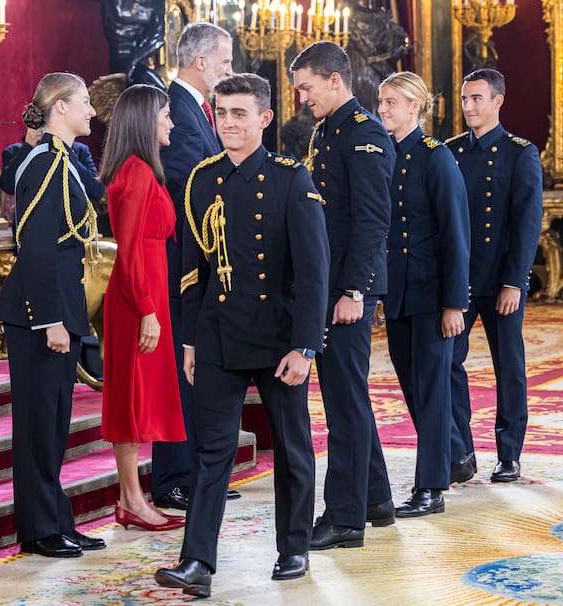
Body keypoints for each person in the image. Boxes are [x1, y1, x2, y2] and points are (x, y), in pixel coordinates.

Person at [154, 73, 329, 598]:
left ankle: (293, 546)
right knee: (211, 452)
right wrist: (190, 341)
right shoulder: (201, 179)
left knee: (292, 447)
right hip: (218, 336)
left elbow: (314, 272)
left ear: (264, 118)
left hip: (279, 341)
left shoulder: (291, 178)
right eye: (222, 113)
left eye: (239, 113)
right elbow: (192, 271)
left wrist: (305, 346)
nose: (228, 123)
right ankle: (196, 562)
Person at [0, 72, 106, 558]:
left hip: (59, 308)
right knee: (39, 427)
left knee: (54, 424)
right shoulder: (44, 163)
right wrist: (50, 319)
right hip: (39, 316)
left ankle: (57, 520)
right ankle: (39, 528)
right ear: (60, 107)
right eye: (84, 101)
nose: (91, 110)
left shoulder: (61, 159)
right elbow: (36, 247)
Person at [289, 41, 394, 550]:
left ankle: (345, 519)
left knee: (344, 402)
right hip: (331, 284)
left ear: (335, 80)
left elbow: (372, 221)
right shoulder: (328, 130)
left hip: (349, 289)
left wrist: (354, 289)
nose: (302, 98)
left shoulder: (364, 132)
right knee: (348, 395)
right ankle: (375, 499)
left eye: (307, 87)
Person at [376, 72, 470, 517]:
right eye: (381, 102)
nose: (382, 109)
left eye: (391, 102)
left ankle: (430, 488)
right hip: (397, 295)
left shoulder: (437, 157)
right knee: (413, 388)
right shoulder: (382, 154)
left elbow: (456, 235)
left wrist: (455, 303)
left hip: (433, 297)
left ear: (415, 106)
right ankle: (454, 456)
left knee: (432, 392)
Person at [153, 20, 236, 512]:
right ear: (200, 61)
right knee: (180, 377)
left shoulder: (196, 109)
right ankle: (175, 478)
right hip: (184, 264)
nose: (229, 70)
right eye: (224, 62)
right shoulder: (179, 111)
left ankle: (202, 474)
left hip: (201, 263)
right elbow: (186, 185)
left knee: (198, 372)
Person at [447, 68, 543, 483]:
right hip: (459, 282)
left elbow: (527, 223)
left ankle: (509, 454)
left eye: (477, 99)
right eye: (464, 99)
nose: (468, 107)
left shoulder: (520, 153)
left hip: (501, 280)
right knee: (447, 363)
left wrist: (514, 282)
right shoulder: (450, 151)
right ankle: (461, 451)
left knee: (509, 367)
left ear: (497, 101)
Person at [98, 84, 186, 531]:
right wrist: (147, 309)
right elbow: (129, 249)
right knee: (131, 400)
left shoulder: (141, 169)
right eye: (165, 115)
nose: (171, 122)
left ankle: (131, 498)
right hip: (137, 300)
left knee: (138, 397)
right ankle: (132, 500)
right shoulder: (136, 173)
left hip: (144, 296)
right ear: (144, 121)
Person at [0, 127, 104, 204]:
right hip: (30, 221)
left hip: (71, 222)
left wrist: (66, 152)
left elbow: (96, 191)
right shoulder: (14, 152)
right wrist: (28, 147)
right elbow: (8, 186)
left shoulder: (80, 151)